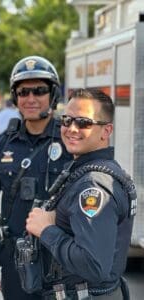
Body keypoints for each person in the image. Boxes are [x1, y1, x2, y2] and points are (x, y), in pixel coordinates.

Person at [0, 56, 72, 300]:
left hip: (61, 259)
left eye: (39, 90)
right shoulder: (0, 145)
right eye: (23, 91)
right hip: (15, 260)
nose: (31, 98)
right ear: (15, 96)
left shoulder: (70, 140)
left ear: (52, 94)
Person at [26, 88, 137, 299]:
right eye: (67, 120)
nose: (71, 128)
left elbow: (94, 265)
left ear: (106, 131)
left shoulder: (93, 185)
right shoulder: (92, 170)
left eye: (84, 122)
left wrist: (46, 230)